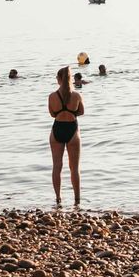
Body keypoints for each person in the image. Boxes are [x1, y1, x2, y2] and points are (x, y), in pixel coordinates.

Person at [48, 66, 84, 205]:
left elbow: (52, 114)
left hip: (57, 129)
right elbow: (81, 111)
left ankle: (58, 198)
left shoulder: (52, 96)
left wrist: (61, 112)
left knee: (57, 166)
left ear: (59, 80)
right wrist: (71, 112)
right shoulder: (76, 95)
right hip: (72, 130)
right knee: (74, 168)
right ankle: (77, 200)